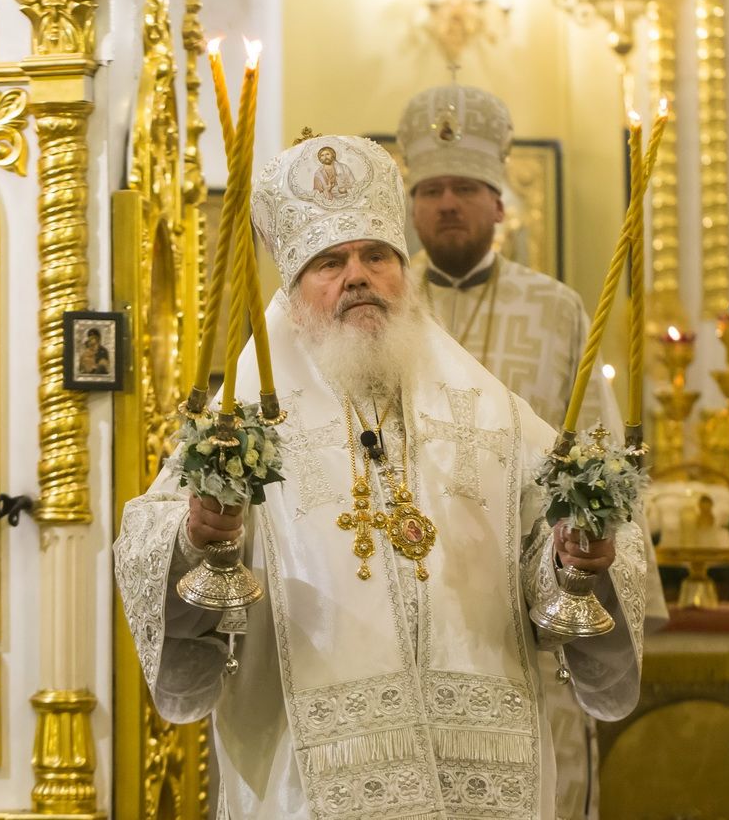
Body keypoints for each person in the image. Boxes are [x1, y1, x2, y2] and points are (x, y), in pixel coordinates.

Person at [115, 134, 648, 820]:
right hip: (309, 774)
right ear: (293, 290)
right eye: (329, 262)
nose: (358, 276)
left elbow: (561, 547)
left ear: (402, 271)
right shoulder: (240, 423)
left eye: (376, 256)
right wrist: (198, 537)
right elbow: (148, 544)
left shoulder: (490, 412)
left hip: (480, 767)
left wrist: (577, 558)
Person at [399, 82, 668, 820]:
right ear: (411, 206)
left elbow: (599, 457)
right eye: (431, 190)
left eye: (465, 189)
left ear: (498, 204)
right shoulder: (386, 307)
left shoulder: (554, 309)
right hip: (410, 610)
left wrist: (602, 558)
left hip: (530, 607)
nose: (447, 204)